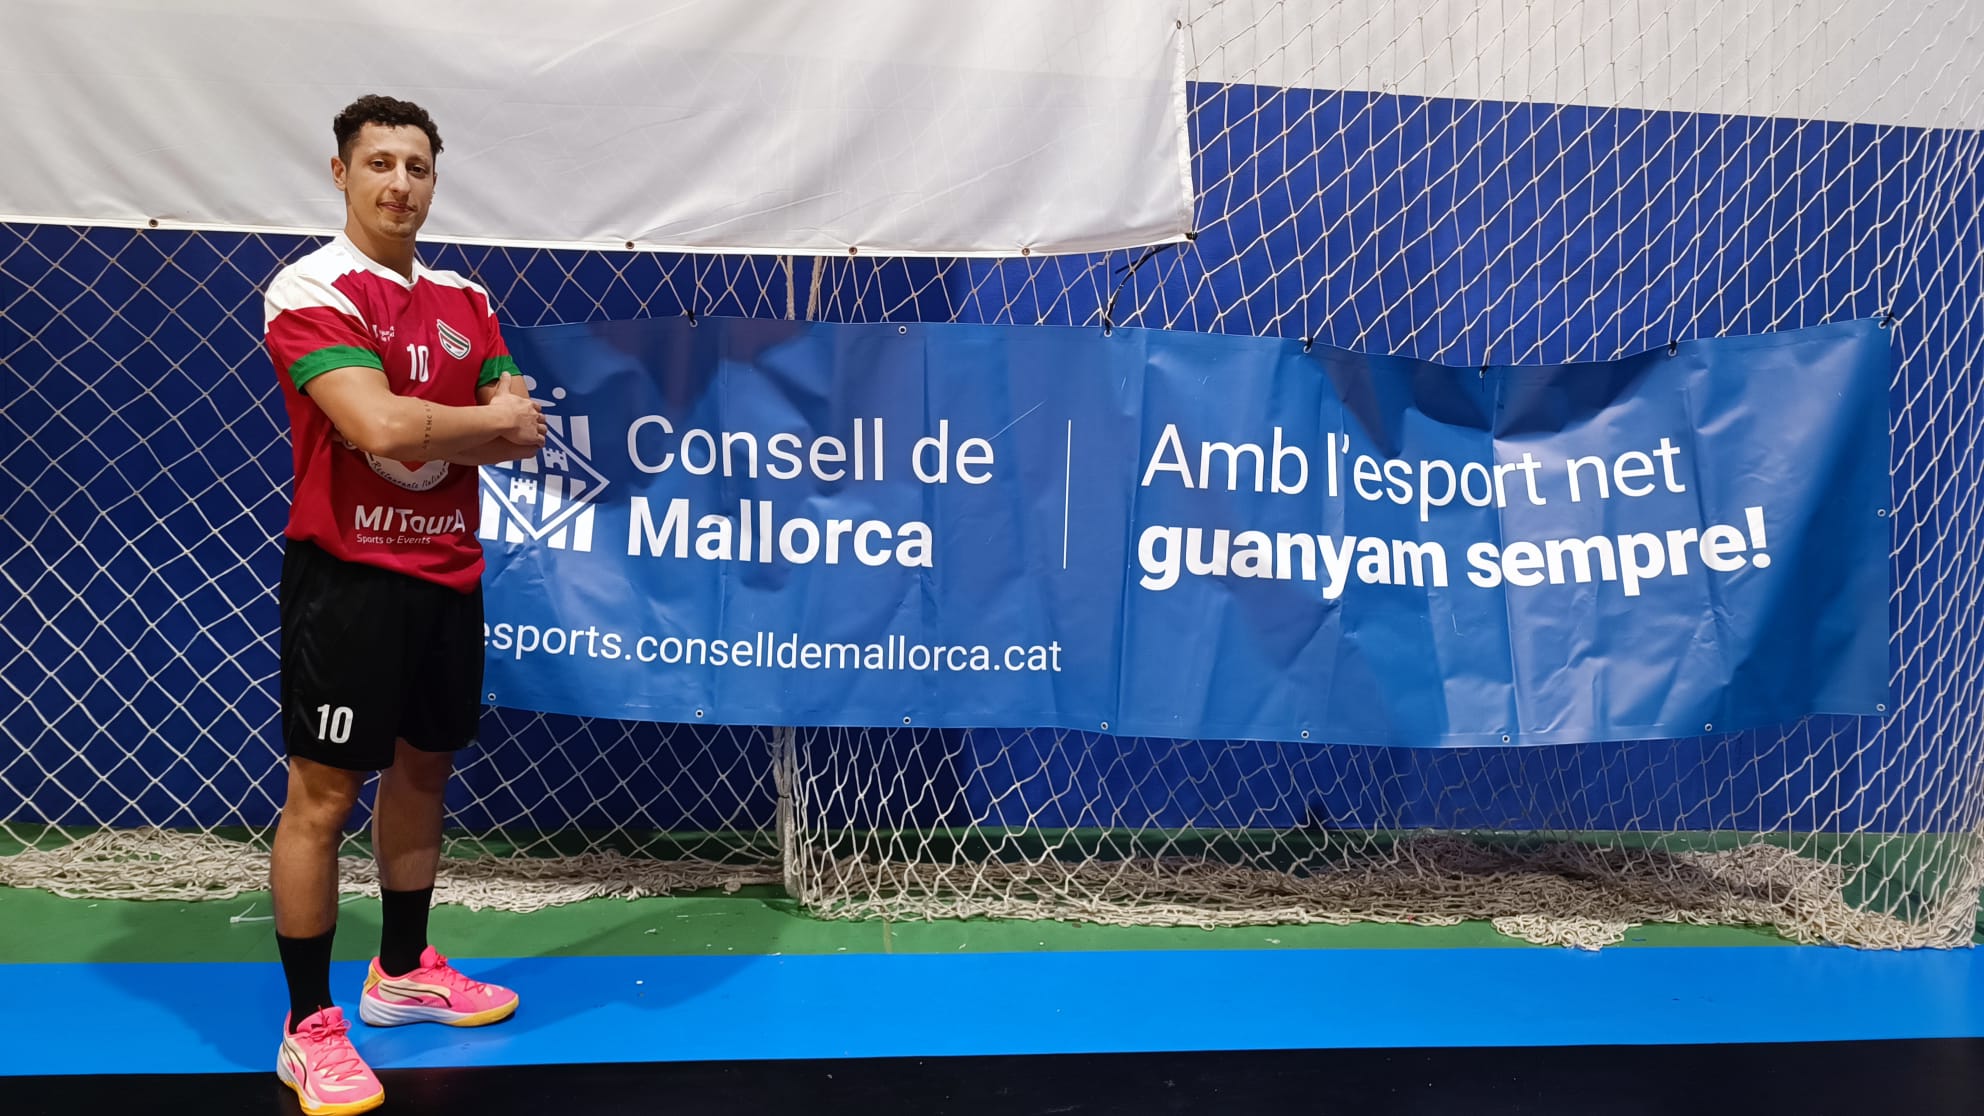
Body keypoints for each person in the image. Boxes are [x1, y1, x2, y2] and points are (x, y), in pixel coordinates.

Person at [261, 93, 544, 1116]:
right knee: (323, 798)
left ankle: (402, 971)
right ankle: (308, 1027)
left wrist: (423, 424)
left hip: (447, 575)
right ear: (341, 173)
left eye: (416, 166)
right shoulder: (310, 287)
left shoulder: (467, 297)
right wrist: (458, 422)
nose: (399, 183)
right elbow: (379, 426)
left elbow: (523, 433)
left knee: (425, 769)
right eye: (379, 163)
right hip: (349, 581)